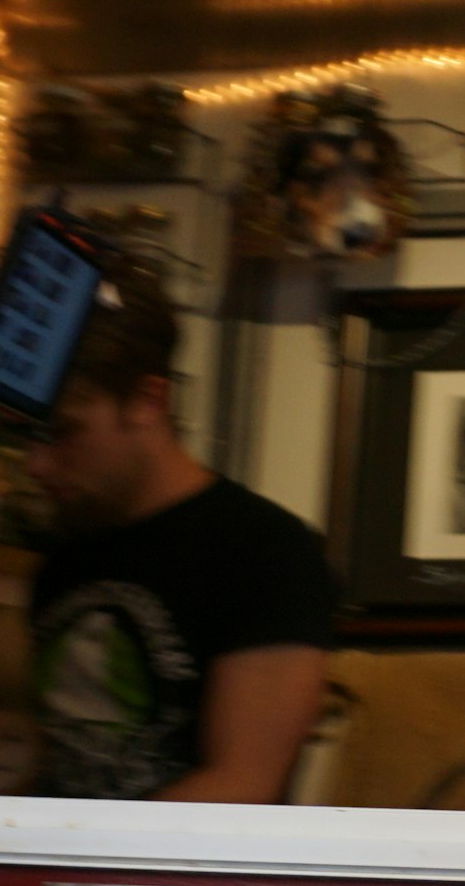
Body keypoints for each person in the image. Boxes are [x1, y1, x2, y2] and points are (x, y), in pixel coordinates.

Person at [20, 281, 337, 802]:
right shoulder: (64, 558)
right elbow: (58, 766)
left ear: (148, 400)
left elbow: (239, 789)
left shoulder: (266, 551)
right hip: (69, 872)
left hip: (186, 883)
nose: (36, 465)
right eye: (26, 436)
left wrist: (69, 861)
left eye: (63, 432)